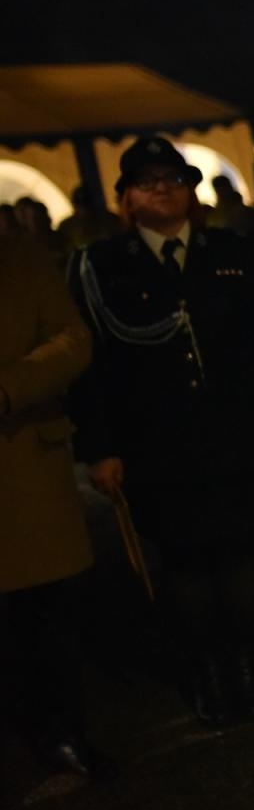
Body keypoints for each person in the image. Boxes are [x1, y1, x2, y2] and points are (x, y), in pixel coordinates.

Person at [67, 138, 254, 727]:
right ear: (125, 199)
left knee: (242, 551)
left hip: (235, 433)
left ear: (192, 191)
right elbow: (90, 368)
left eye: (173, 179)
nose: (162, 189)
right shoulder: (102, 268)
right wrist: (99, 448)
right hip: (159, 443)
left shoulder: (230, 252)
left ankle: (246, 662)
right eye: (146, 182)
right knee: (186, 562)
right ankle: (208, 669)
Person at [1, 236, 117, 781]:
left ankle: (62, 731)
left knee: (46, 615)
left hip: (25, 460)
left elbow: (73, 339)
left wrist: (10, 386)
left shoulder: (21, 260)